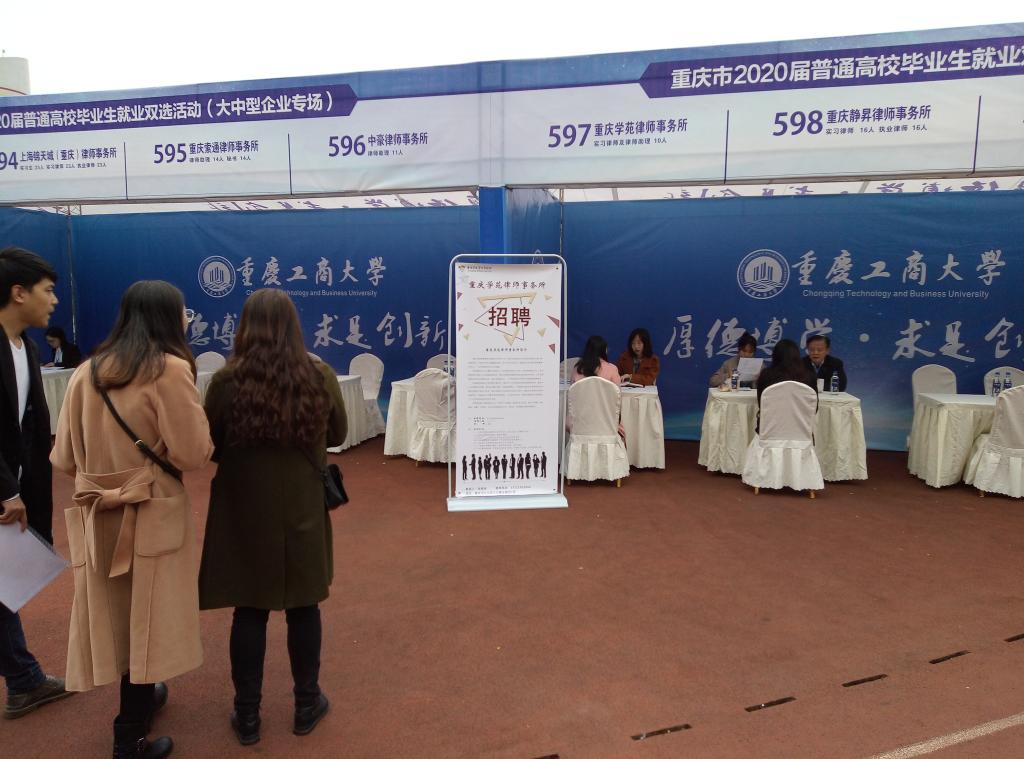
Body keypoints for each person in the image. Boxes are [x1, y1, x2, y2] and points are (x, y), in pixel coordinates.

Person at [50, 280, 214, 758]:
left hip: (98, 512)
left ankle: (139, 706)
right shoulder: (170, 370)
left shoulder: (86, 371)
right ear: (167, 317)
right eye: (183, 311)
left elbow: (63, 457)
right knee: (149, 615)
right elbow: (193, 453)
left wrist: (105, 477)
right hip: (150, 509)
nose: (187, 318)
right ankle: (129, 735)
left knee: (118, 615)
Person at [198, 289, 347, 746]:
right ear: (293, 326)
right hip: (302, 503)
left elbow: (212, 442)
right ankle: (306, 703)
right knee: (305, 605)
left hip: (244, 507)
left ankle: (247, 716)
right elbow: (338, 432)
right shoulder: (318, 374)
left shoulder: (226, 381)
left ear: (245, 327)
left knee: (249, 608)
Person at [0, 247, 72, 720]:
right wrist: (6, 490)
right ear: (18, 292)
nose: (54, 301)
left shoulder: (26, 348)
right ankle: (24, 680)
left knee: (4, 584)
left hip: (17, 489)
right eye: (48, 291)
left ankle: (24, 682)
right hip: (4, 492)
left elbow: (28, 426)